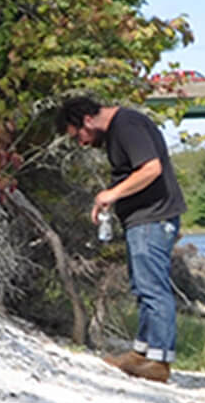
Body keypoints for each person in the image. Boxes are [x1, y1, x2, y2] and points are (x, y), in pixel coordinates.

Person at [55, 95, 186, 383]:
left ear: (87, 120)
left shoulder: (127, 124)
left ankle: (160, 361)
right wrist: (109, 199)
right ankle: (142, 353)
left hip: (153, 218)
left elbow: (151, 168)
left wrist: (112, 194)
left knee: (153, 287)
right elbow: (133, 173)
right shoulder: (119, 130)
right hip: (142, 220)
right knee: (143, 285)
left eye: (78, 135)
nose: (82, 143)